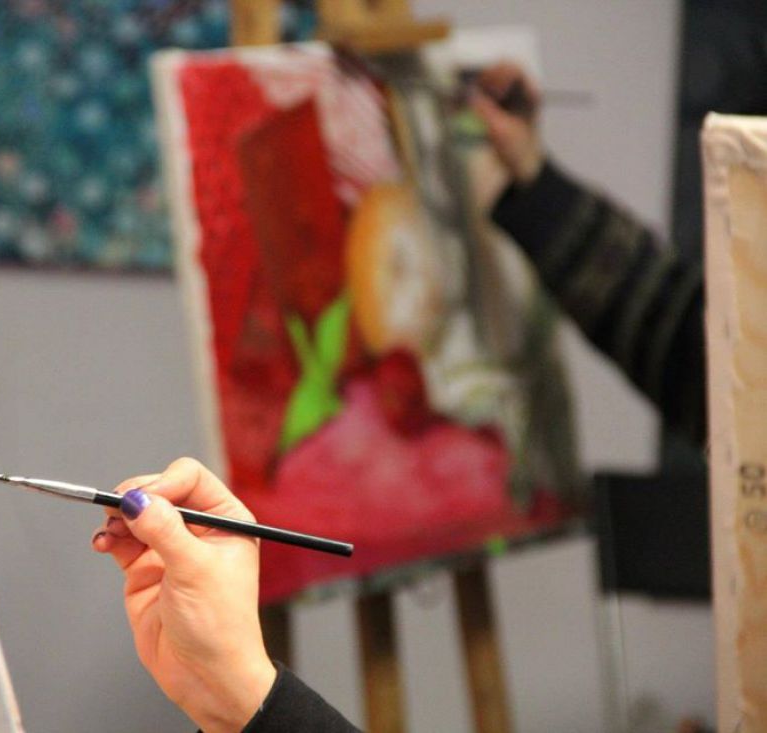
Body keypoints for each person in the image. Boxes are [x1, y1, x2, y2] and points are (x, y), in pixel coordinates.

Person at [91, 63, 707, 731]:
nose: (426, 291)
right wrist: (531, 184)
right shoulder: (334, 431)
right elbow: (690, 344)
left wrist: (243, 696)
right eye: (396, 267)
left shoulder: (476, 436)